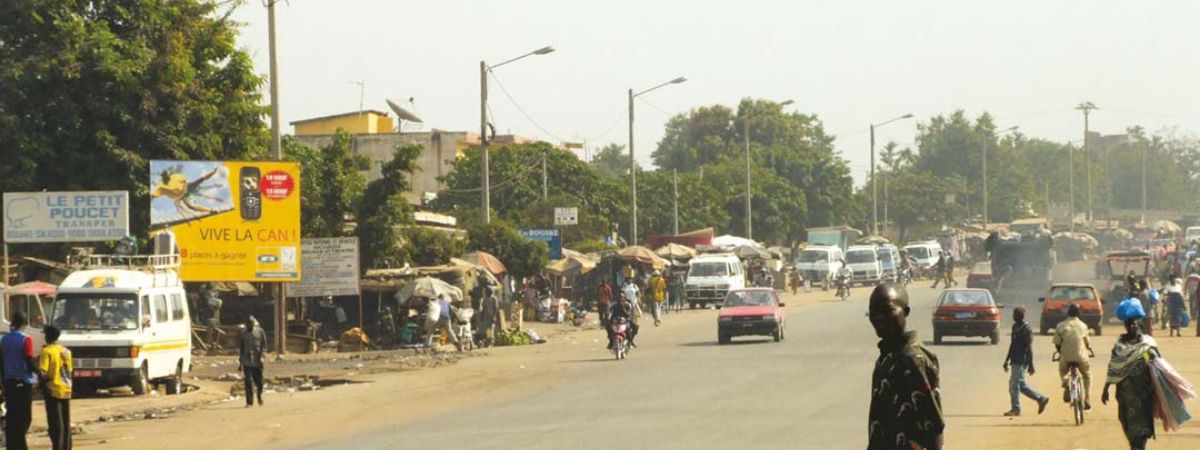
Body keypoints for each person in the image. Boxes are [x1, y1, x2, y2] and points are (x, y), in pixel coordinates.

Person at [867, 283, 944, 450]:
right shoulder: (886, 358)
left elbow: (934, 425)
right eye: (873, 312)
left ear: (906, 312)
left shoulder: (912, 360)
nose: (879, 317)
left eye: (887, 311)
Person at [1102, 299, 1160, 450]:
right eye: (1129, 324)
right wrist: (1106, 388)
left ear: (1139, 325)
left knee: (1143, 429)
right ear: (1125, 326)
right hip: (1125, 394)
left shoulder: (1148, 344)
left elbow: (1159, 365)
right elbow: (1113, 367)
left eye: (1134, 324)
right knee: (1126, 423)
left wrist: (1152, 356)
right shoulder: (1120, 346)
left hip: (1144, 393)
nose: (1132, 326)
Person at [1002, 306, 1049, 417]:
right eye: (1014, 314)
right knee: (1021, 385)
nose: (1014, 316)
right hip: (1014, 360)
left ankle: (1015, 409)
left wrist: (1031, 365)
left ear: (1021, 316)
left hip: (1021, 361)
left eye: (1016, 314)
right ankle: (1041, 399)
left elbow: (1029, 348)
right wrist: (1006, 360)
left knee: (1014, 385)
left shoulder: (1026, 329)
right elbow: (1012, 344)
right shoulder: (1015, 327)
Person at [0, 311, 37, 450]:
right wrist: (39, 373)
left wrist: (2, 382)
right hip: (23, 381)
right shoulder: (26, 339)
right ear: (25, 323)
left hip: (9, 382)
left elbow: (1, 362)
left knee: (12, 416)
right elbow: (29, 360)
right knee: (24, 417)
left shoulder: (4, 339)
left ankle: (12, 445)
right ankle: (20, 446)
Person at [1053, 304, 1095, 411]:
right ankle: (1087, 398)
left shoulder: (1060, 325)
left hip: (1065, 357)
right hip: (1081, 357)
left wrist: (1061, 352)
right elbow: (1087, 344)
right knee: (1087, 375)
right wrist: (1088, 349)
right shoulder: (1083, 326)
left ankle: (1066, 382)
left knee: (1063, 371)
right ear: (1079, 314)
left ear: (1067, 313)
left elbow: (1057, 343)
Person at [38, 325, 72, 450]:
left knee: (55, 424)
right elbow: (69, 371)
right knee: (65, 423)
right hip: (66, 389)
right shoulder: (66, 351)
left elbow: (43, 372)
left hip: (53, 390)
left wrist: (41, 382)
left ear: (47, 336)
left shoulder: (47, 351)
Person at [238, 316, 267, 407]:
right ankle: (249, 402)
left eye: (251, 324)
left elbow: (264, 346)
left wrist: (262, 356)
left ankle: (259, 395)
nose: (250, 326)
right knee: (248, 382)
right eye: (248, 325)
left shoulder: (260, 332)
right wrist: (240, 362)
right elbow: (241, 348)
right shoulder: (243, 333)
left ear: (254, 324)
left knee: (259, 382)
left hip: (257, 361)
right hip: (247, 361)